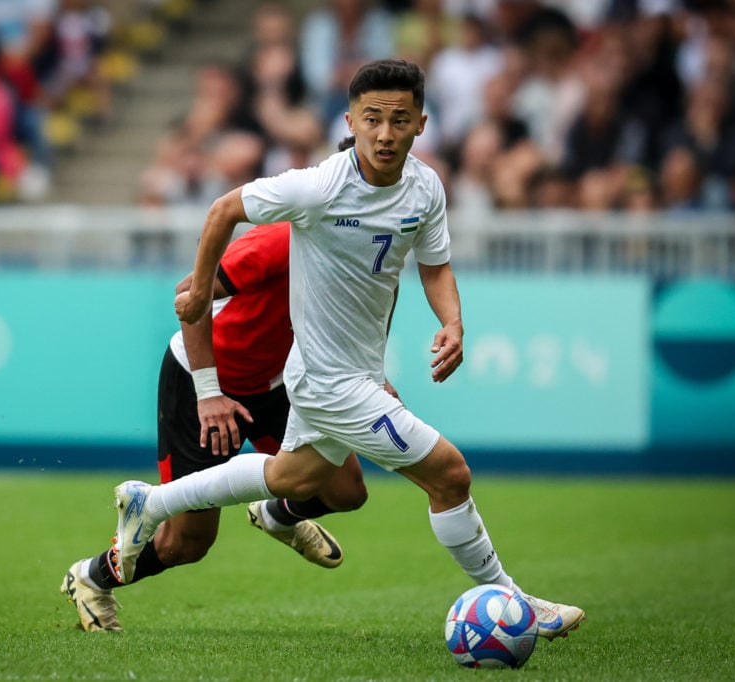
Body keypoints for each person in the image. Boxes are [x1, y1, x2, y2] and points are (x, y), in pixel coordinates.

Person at [109, 59, 586, 640]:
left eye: (399, 120)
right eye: (373, 119)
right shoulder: (318, 188)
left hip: (343, 375)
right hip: (328, 384)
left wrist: (453, 322)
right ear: (352, 121)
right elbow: (223, 209)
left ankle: (148, 504)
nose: (385, 133)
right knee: (451, 476)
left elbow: (434, 267)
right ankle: (516, 605)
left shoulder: (426, 187)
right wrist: (201, 289)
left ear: (421, 124)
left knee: (291, 478)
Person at [60, 222, 369, 631]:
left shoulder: (367, 242)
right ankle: (91, 577)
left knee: (346, 491)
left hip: (280, 381)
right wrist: (208, 393)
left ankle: (277, 516)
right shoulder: (279, 239)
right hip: (202, 381)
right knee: (186, 543)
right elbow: (189, 297)